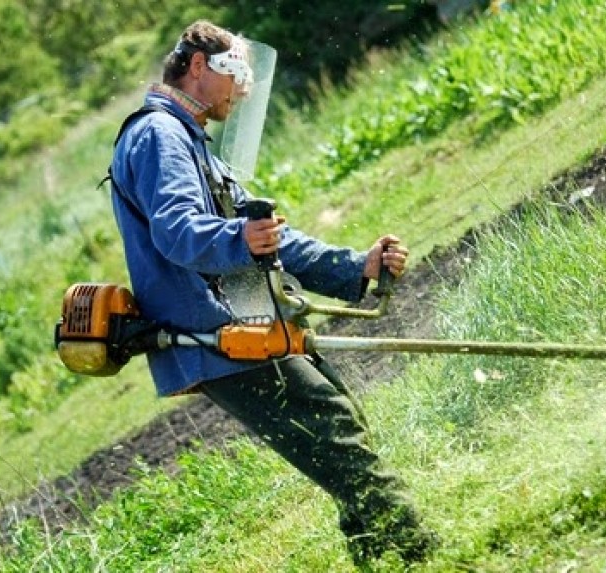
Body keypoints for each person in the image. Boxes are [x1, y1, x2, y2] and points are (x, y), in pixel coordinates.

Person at [108, 20, 437, 566]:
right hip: (213, 333)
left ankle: (382, 555)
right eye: (236, 73)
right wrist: (238, 238)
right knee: (336, 438)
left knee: (338, 426)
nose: (242, 90)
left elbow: (269, 242)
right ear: (197, 66)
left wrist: (358, 267)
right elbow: (176, 231)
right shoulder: (158, 135)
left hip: (244, 321)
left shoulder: (191, 140)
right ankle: (418, 552)